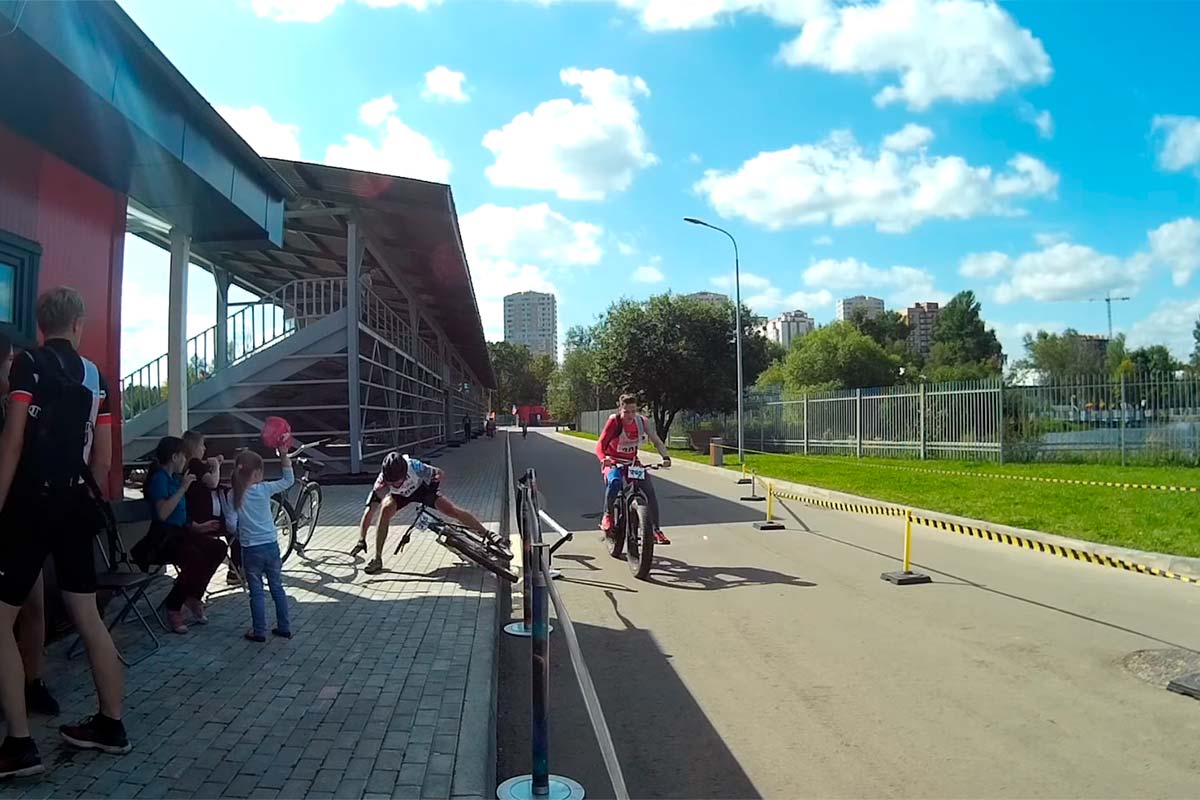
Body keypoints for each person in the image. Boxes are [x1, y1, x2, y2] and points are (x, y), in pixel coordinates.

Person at [0, 288, 129, 778]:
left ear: (41, 325)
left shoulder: (26, 366)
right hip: (76, 504)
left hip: (30, 506)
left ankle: (19, 745)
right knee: (88, 615)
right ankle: (111, 725)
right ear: (78, 323)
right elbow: (103, 457)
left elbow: (12, 442)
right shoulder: (96, 376)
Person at [0, 332, 61, 728]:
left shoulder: (21, 403)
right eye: (10, 362)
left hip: (25, 515)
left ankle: (31, 680)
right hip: (8, 515)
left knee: (34, 604)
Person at [351, 451, 500, 575]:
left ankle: (487, 533)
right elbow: (369, 512)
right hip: (400, 497)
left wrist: (433, 490)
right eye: (392, 482)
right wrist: (361, 539)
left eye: (399, 480)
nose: (396, 484)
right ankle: (377, 559)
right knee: (384, 510)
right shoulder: (381, 481)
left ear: (404, 472)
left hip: (422, 490)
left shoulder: (414, 466)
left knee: (451, 510)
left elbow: (439, 473)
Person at [141, 436, 227, 634]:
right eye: (183, 456)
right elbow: (163, 514)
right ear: (174, 457)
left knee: (217, 548)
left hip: (181, 533)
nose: (185, 460)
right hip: (161, 539)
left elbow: (181, 515)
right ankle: (174, 606)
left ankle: (193, 595)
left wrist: (197, 526)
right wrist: (182, 489)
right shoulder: (159, 479)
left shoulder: (175, 478)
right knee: (194, 556)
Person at [224, 448, 293, 642]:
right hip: (271, 546)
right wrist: (284, 455)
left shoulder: (232, 495)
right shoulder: (264, 489)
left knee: (256, 592)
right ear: (256, 473)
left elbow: (230, 524)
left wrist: (237, 532)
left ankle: (259, 631)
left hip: (250, 549)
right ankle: (284, 627)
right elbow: (288, 480)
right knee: (277, 587)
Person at [595, 394, 672, 545]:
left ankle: (656, 530)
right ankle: (608, 515)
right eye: (626, 412)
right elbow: (600, 445)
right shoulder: (614, 421)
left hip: (632, 462)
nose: (630, 416)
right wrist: (604, 459)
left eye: (633, 411)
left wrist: (665, 457)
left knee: (648, 490)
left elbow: (656, 440)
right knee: (615, 482)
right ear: (620, 410)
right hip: (613, 461)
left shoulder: (642, 422)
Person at [181, 431, 239, 585]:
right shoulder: (195, 463)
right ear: (194, 447)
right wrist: (216, 467)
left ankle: (236, 570)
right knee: (236, 529)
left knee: (230, 528)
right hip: (204, 518)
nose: (204, 449)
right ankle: (235, 571)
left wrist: (213, 464)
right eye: (202, 445)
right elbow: (212, 482)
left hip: (194, 515)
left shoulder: (187, 466)